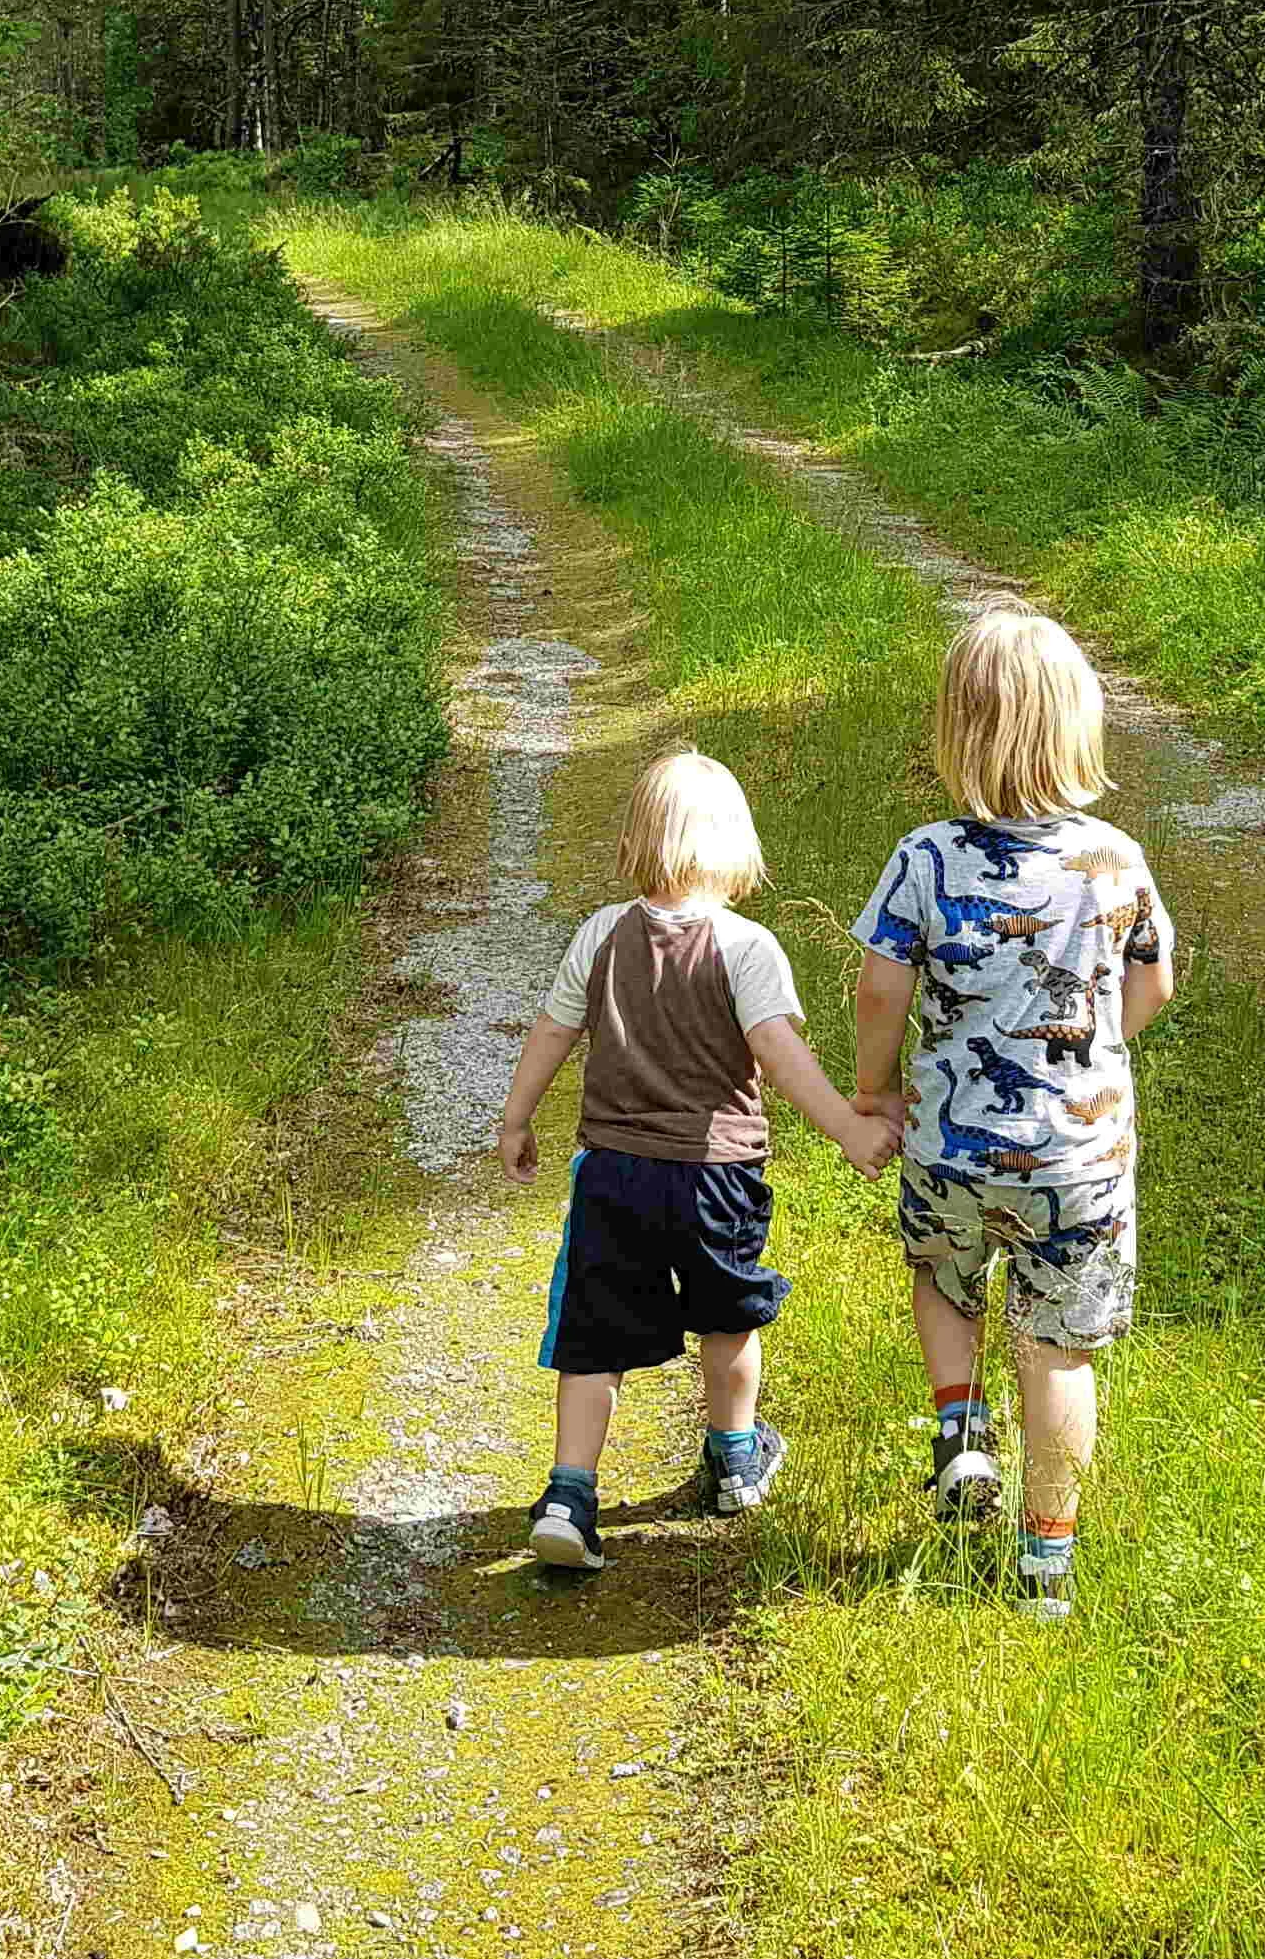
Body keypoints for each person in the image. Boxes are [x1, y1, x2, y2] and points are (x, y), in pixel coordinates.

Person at [496, 746, 898, 1576]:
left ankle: (571, 1494)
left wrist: (516, 1116)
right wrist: (849, 1129)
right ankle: (736, 1459)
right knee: (728, 1315)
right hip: (719, 1176)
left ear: (640, 836)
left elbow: (553, 1031)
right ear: (735, 845)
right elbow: (781, 1058)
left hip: (614, 1173)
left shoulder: (602, 933)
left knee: (592, 1335)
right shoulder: (747, 947)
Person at [850, 605, 1174, 1618]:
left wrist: (873, 1087)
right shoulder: (1115, 859)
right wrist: (1095, 1056)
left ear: (958, 732)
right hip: (1081, 1161)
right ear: (1080, 730)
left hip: (951, 1145)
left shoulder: (926, 857)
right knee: (1059, 1349)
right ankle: (1046, 1561)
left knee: (947, 1284)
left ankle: (957, 1430)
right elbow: (1155, 983)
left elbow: (876, 988)